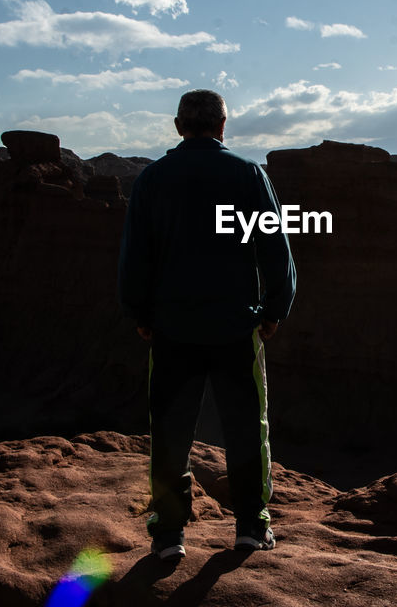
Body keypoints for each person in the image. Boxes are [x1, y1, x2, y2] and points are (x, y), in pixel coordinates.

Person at [118, 89, 296, 560]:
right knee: (245, 426)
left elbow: (135, 254)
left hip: (172, 327)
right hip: (235, 327)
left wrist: (140, 312)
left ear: (179, 126)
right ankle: (252, 527)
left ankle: (169, 535)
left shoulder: (152, 179)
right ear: (223, 125)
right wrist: (275, 309)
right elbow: (274, 249)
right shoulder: (247, 174)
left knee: (170, 431)